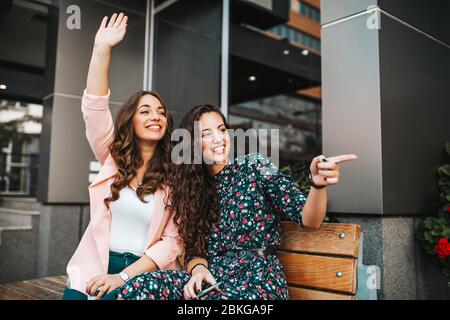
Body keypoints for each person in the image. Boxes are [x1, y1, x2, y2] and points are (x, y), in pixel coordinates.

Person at [116, 104, 358, 300]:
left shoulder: (254, 168)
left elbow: (309, 219)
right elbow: (194, 251)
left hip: (258, 279)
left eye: (221, 130)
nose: (218, 138)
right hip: (212, 277)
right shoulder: (192, 190)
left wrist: (318, 184)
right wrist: (198, 270)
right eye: (206, 133)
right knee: (141, 288)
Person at [62, 13, 182, 300]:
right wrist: (101, 49)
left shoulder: (177, 175)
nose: (156, 116)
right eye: (146, 111)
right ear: (130, 120)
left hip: (148, 274)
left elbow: (171, 243)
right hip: (97, 266)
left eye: (161, 112)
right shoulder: (111, 157)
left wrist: (123, 277)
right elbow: (94, 108)